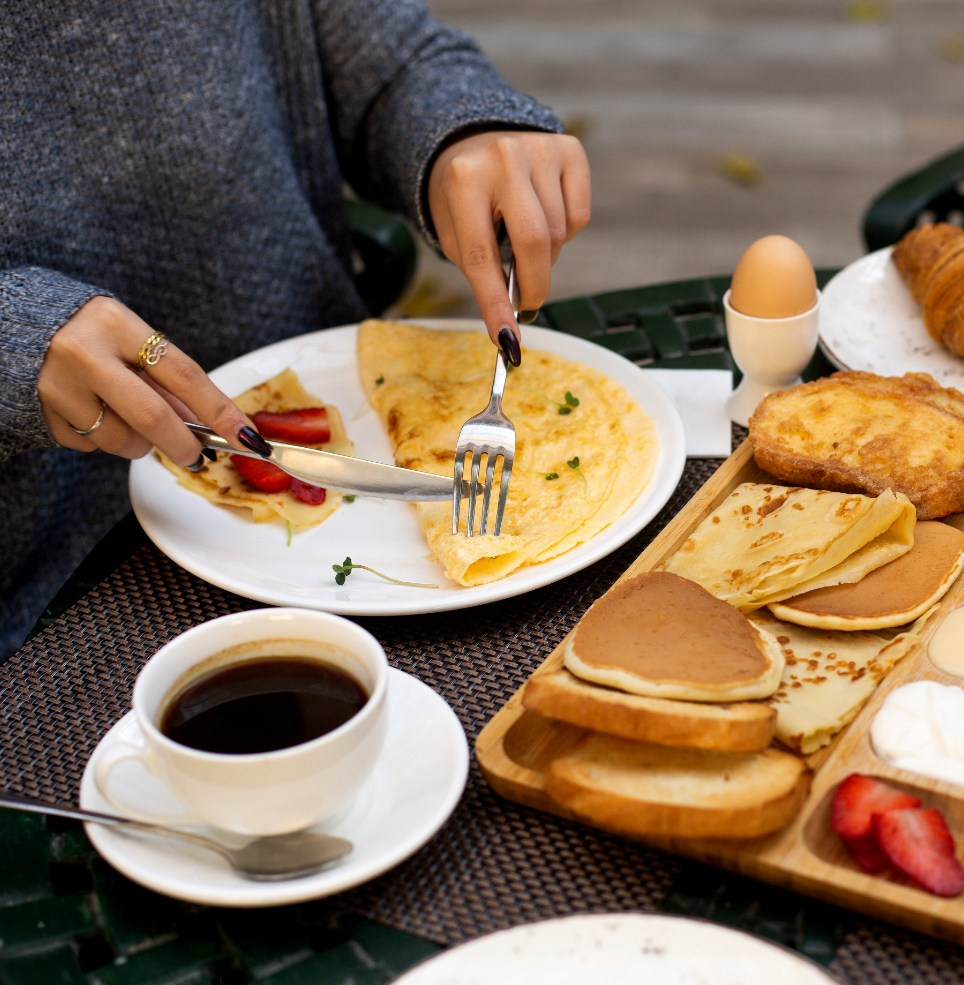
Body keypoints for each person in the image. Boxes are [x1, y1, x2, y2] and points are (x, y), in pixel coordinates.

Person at [0, 0, 591, 661]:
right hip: (51, 606)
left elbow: (390, 64)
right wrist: (17, 341)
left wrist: (464, 132)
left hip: (346, 489)